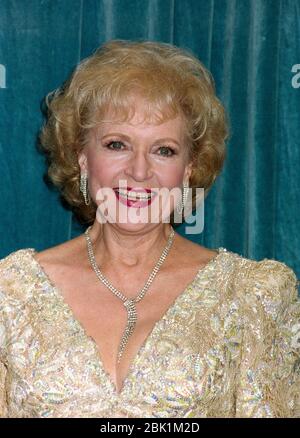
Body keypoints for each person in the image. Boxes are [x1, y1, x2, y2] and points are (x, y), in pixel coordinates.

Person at [0, 40, 299, 419]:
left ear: (189, 168)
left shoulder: (251, 297)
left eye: (164, 150)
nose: (139, 172)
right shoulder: (10, 294)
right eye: (117, 144)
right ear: (82, 158)